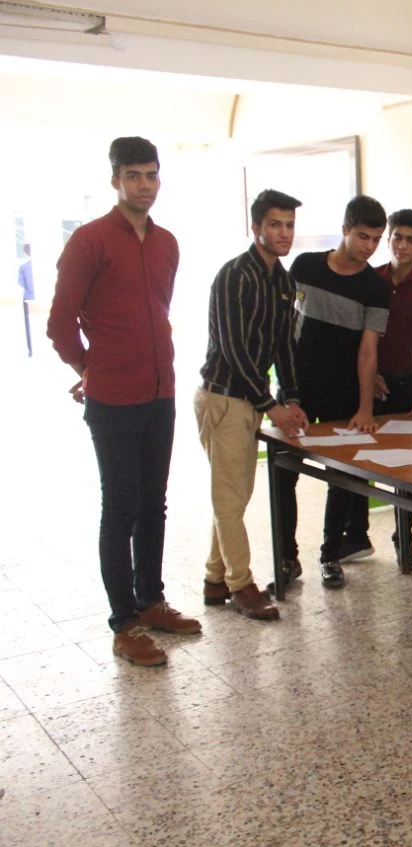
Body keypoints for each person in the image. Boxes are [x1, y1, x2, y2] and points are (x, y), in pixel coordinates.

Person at [47, 136, 201, 666]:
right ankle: (124, 623)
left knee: (154, 502)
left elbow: (158, 310)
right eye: (133, 175)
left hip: (161, 392)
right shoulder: (88, 241)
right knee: (121, 507)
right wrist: (88, 370)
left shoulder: (167, 243)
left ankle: (151, 601)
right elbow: (60, 324)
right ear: (115, 180)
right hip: (113, 399)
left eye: (151, 175)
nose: (144, 185)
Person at [194, 189, 309, 622]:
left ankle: (214, 579)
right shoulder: (233, 276)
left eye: (290, 225)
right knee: (231, 497)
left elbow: (284, 345)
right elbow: (233, 348)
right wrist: (270, 404)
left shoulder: (284, 281)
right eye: (275, 224)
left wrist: (291, 396)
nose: (284, 233)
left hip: (251, 400)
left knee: (233, 494)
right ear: (255, 227)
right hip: (223, 397)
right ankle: (241, 586)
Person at [277, 195, 389, 590]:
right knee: (284, 472)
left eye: (376, 239)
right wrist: (286, 393)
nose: (369, 247)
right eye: (362, 236)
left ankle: (331, 555)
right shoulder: (305, 267)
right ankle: (286, 558)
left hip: (344, 392)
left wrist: (365, 407)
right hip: (299, 387)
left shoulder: (375, 288)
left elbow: (368, 351)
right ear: (344, 230)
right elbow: (286, 328)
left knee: (340, 476)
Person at [339, 208, 412, 571]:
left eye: (411, 240)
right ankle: (356, 536)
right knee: (356, 460)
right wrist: (367, 377)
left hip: (403, 384)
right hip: (363, 382)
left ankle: (404, 537)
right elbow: (352, 334)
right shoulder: (368, 279)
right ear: (388, 239)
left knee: (405, 467)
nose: (402, 245)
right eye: (397, 237)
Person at [18, 242, 33, 357]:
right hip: (39, 299)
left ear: (25, 253)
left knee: (29, 324)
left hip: (28, 298)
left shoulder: (23, 268)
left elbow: (21, 284)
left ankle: (31, 349)